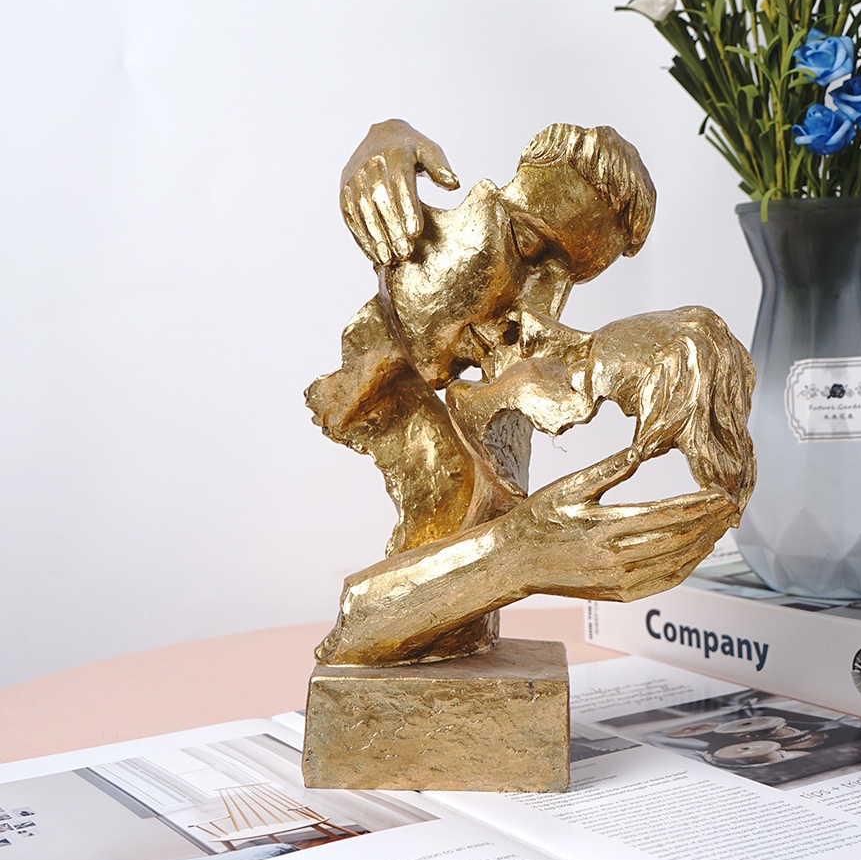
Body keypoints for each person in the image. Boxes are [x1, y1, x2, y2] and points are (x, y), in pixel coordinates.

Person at [307, 120, 754, 667]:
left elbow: (385, 637)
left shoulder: (491, 421)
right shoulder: (406, 253)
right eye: (526, 244)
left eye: (561, 287)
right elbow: (356, 641)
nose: (534, 317)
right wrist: (384, 133)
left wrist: (520, 553)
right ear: (474, 200)